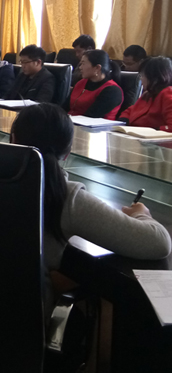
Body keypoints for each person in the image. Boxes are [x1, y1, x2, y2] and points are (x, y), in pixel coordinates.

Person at [10, 103, 171, 281]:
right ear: (67, 152)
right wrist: (141, 214)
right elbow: (159, 243)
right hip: (29, 298)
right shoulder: (66, 197)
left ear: (13, 139)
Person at [64, 49, 123, 120]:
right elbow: (64, 107)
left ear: (97, 68)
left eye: (83, 64)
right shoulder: (81, 83)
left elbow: (92, 116)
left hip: (94, 126)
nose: (80, 67)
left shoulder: (112, 91)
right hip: (72, 122)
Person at [119, 57, 172, 132]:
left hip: (153, 137)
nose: (141, 79)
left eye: (143, 76)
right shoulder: (148, 94)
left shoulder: (167, 94)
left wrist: (152, 130)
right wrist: (123, 121)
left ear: (154, 77)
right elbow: (130, 110)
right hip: (134, 133)